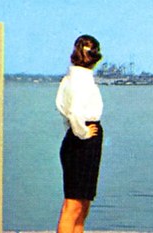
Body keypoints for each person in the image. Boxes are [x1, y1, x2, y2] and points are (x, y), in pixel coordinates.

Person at [55, 35, 104, 233]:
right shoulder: (77, 80)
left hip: (86, 140)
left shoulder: (75, 78)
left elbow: (62, 107)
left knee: (83, 204)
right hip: (81, 140)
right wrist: (83, 132)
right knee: (73, 204)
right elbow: (73, 111)